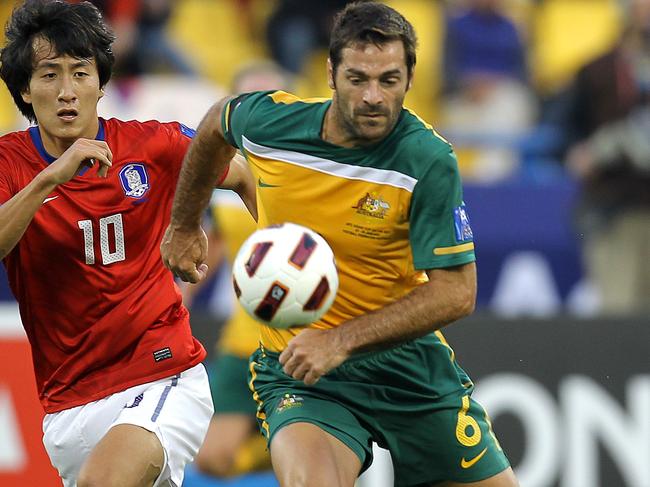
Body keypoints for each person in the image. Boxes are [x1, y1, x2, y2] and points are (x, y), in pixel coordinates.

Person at [162, 2, 519, 486]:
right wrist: (184, 224)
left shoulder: (427, 159)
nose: (373, 96)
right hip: (302, 370)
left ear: (410, 79)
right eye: (357, 79)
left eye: (389, 80)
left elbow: (457, 292)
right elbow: (215, 125)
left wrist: (339, 341)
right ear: (330, 73)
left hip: (408, 371)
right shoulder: (274, 126)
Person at [0, 1, 247, 485]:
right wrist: (50, 179)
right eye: (49, 75)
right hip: (68, 404)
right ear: (25, 89)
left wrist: (188, 218)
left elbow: (242, 174)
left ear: (101, 82)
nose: (67, 91)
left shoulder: (150, 145)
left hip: (161, 372)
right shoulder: (9, 163)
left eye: (81, 72)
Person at [190, 60, 292, 479]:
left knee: (312, 459)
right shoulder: (221, 182)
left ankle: (287, 444)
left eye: (273, 102)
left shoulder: (318, 174)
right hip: (245, 342)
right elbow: (200, 256)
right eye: (249, 102)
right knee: (212, 459)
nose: (261, 113)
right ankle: (271, 445)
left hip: (307, 341)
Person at [562, 0, 650, 315]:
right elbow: (565, 130)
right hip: (615, 209)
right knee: (618, 314)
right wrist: (584, 153)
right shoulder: (598, 70)